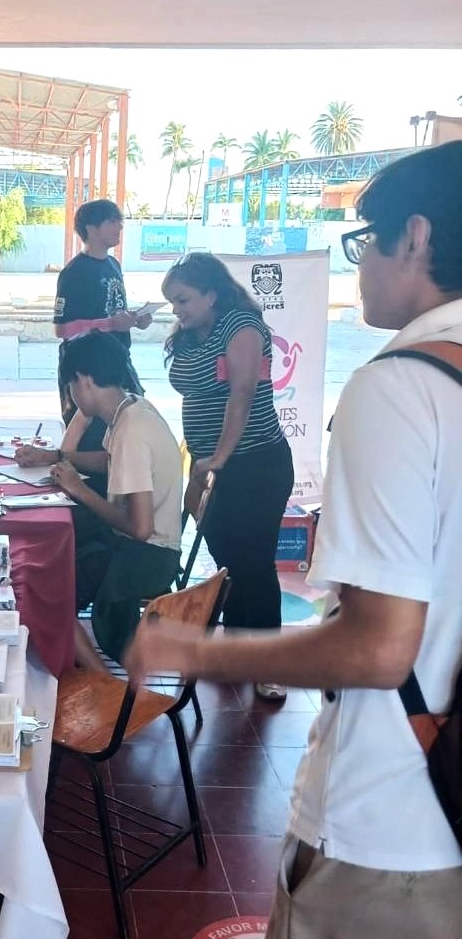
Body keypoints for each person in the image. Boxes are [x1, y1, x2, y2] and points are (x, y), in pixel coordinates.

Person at [126, 141, 462, 939]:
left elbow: (377, 644)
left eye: (364, 238)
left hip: (394, 827)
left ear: (418, 236)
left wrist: (200, 645)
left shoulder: (403, 387)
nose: (356, 260)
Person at [161, 251, 294, 700]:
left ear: (211, 294)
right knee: (228, 562)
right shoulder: (191, 334)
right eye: (173, 302)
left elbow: (240, 395)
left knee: (254, 564)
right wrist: (204, 466)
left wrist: (218, 457)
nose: (177, 310)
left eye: (183, 300)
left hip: (255, 464)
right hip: (210, 465)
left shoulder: (241, 327)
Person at [51, 331, 182, 669]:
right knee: (62, 542)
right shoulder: (131, 408)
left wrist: (79, 490)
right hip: (145, 545)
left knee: (54, 591)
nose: (71, 396)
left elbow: (140, 528)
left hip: (148, 555)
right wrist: (56, 456)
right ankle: (86, 666)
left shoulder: (131, 431)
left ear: (82, 381)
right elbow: (110, 460)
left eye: (70, 387)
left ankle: (98, 680)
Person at [30, 199, 152, 497]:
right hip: (86, 369)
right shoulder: (75, 272)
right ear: (91, 228)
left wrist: (134, 320)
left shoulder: (113, 265)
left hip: (117, 363)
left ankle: (118, 498)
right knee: (91, 438)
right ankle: (87, 502)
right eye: (112, 221)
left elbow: (111, 313)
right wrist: (112, 324)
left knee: (123, 432)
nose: (120, 227)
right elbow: (63, 328)